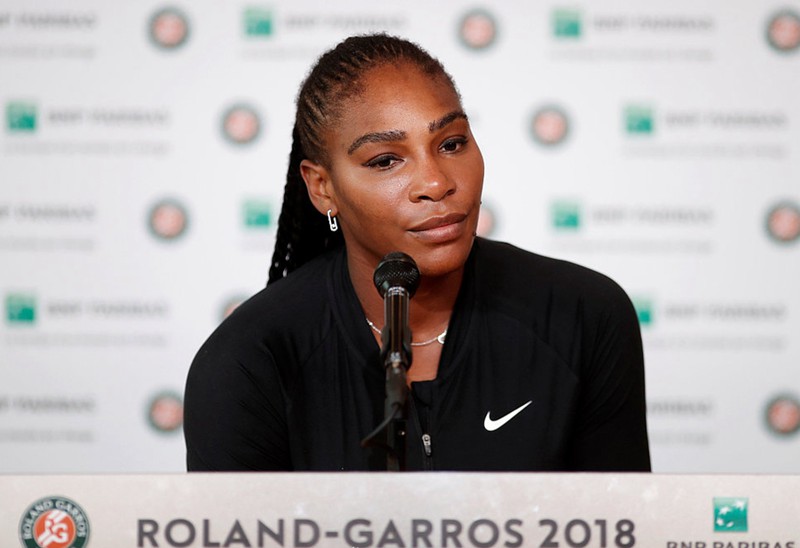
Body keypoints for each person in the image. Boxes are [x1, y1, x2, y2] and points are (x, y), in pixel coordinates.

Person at [184, 33, 650, 472]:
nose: (436, 183)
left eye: (451, 144)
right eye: (386, 160)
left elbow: (618, 519)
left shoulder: (582, 316)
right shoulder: (249, 361)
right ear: (322, 187)